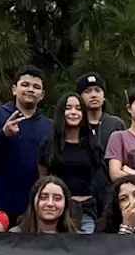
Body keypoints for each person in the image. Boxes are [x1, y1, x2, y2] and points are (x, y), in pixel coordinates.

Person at [0, 66, 52, 218]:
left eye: (36, 87)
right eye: (25, 85)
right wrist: (3, 134)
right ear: (14, 89)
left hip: (35, 208)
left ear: (42, 95)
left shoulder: (49, 126)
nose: (30, 90)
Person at [38, 93, 107, 233]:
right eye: (68, 108)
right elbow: (42, 180)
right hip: (58, 210)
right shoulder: (49, 144)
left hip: (87, 210)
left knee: (86, 249)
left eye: (78, 108)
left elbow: (98, 180)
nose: (73, 112)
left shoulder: (92, 145)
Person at [76, 71, 126, 150]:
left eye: (98, 90)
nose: (93, 95)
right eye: (87, 91)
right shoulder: (75, 125)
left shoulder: (116, 124)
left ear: (104, 96)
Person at [12, 176, 80, 233]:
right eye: (43, 197)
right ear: (33, 200)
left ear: (66, 203)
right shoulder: (14, 236)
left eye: (57, 198)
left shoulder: (79, 239)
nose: (50, 203)